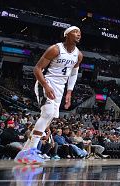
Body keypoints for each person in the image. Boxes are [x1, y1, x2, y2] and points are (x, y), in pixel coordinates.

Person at [15, 26, 83, 164]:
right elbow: (37, 69)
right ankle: (31, 150)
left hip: (60, 88)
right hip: (46, 82)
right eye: (75, 32)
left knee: (49, 118)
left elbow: (74, 74)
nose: (78, 34)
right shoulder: (55, 49)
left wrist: (69, 92)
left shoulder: (79, 55)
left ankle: (24, 153)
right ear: (66, 35)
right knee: (47, 114)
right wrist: (45, 86)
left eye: (80, 33)